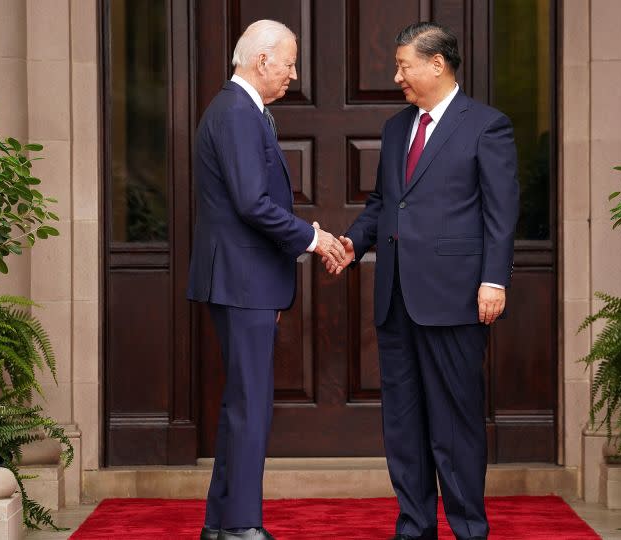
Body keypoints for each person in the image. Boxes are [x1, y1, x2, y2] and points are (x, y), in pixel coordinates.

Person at [327, 21, 519, 540]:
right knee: (404, 427)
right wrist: (352, 243)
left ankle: (468, 530)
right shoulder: (395, 129)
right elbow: (382, 204)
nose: (397, 77)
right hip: (395, 299)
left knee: (455, 426)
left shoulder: (487, 126)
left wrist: (494, 281)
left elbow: (501, 214)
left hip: (456, 298)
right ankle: (414, 527)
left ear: (438, 64)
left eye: (403, 66)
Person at [186, 19, 345, 540]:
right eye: (290, 63)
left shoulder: (243, 111)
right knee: (249, 406)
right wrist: (312, 238)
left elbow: (253, 202)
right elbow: (252, 204)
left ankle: (219, 523)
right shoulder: (236, 113)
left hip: (245, 280)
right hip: (242, 281)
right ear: (262, 61)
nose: (294, 74)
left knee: (243, 401)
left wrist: (304, 230)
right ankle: (242, 526)